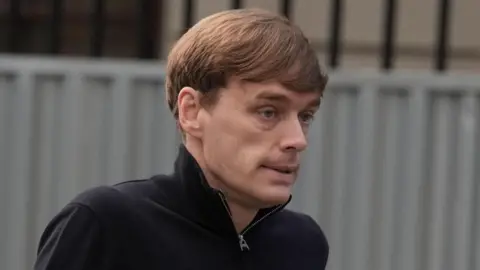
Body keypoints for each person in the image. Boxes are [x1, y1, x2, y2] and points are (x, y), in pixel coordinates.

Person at [33, 8, 329, 270]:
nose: (296, 139)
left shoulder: (302, 244)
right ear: (192, 111)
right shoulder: (106, 224)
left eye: (305, 116)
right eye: (268, 112)